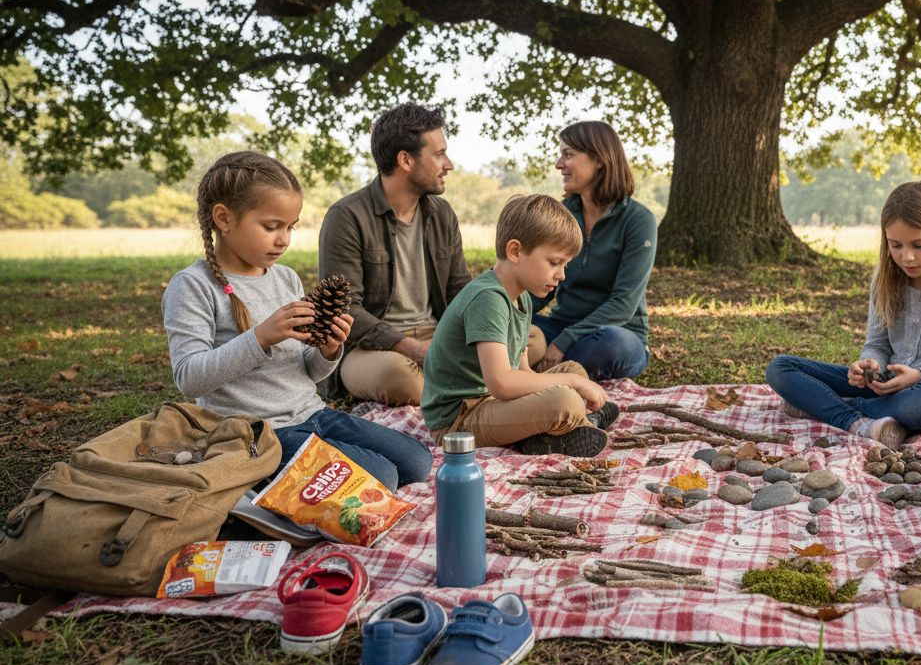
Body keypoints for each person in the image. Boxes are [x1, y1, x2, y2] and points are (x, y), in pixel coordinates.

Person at [163, 151, 432, 490]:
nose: (284, 239)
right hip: (258, 433)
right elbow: (189, 378)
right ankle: (253, 489)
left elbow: (307, 371)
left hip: (312, 413)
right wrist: (260, 337)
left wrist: (328, 351)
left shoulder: (286, 279)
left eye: (290, 227)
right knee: (382, 477)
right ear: (224, 218)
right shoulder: (192, 286)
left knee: (417, 462)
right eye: (271, 226)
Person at [766, 180, 921, 448]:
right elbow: (877, 345)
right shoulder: (884, 279)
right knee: (781, 367)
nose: (907, 257)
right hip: (888, 385)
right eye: (895, 245)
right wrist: (869, 366)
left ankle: (824, 406)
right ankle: (858, 422)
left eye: (919, 245)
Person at [421, 194, 620, 456]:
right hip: (459, 420)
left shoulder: (522, 298)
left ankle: (548, 434)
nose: (562, 275)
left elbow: (523, 371)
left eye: (565, 265)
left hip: (494, 405)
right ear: (515, 251)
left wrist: (570, 378)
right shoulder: (488, 298)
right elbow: (502, 383)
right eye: (554, 262)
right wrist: (569, 383)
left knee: (574, 370)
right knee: (566, 398)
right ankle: (569, 425)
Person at [318, 103, 472, 406]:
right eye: (439, 154)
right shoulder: (346, 216)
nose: (449, 164)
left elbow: (459, 290)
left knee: (529, 339)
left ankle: (460, 388)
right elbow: (344, 309)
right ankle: (477, 394)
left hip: (436, 335)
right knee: (398, 375)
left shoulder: (442, 214)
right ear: (405, 160)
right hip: (373, 350)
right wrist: (410, 347)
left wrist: (489, 325)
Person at [525, 121, 656, 381]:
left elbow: (623, 304)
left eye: (568, 154)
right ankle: (555, 374)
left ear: (598, 159)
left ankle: (544, 372)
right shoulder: (562, 217)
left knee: (614, 344)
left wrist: (562, 343)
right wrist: (504, 311)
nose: (559, 164)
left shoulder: (638, 220)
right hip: (560, 326)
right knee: (504, 330)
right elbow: (540, 289)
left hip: (615, 333)